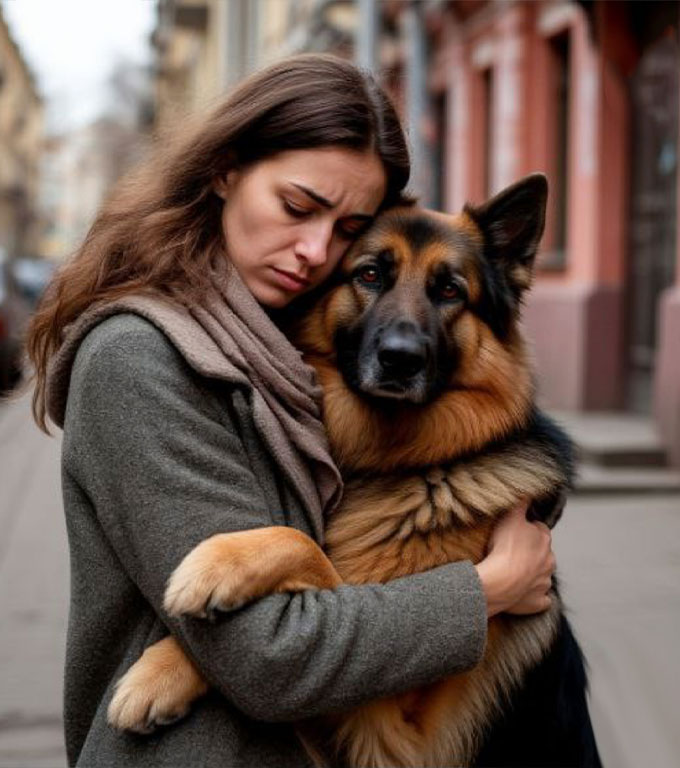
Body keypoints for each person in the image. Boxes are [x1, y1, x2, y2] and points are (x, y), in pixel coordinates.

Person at [27, 54, 555, 767]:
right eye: (298, 207)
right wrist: (486, 591)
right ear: (225, 168)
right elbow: (267, 653)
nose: (314, 252)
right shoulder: (141, 360)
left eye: (346, 231)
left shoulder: (272, 341)